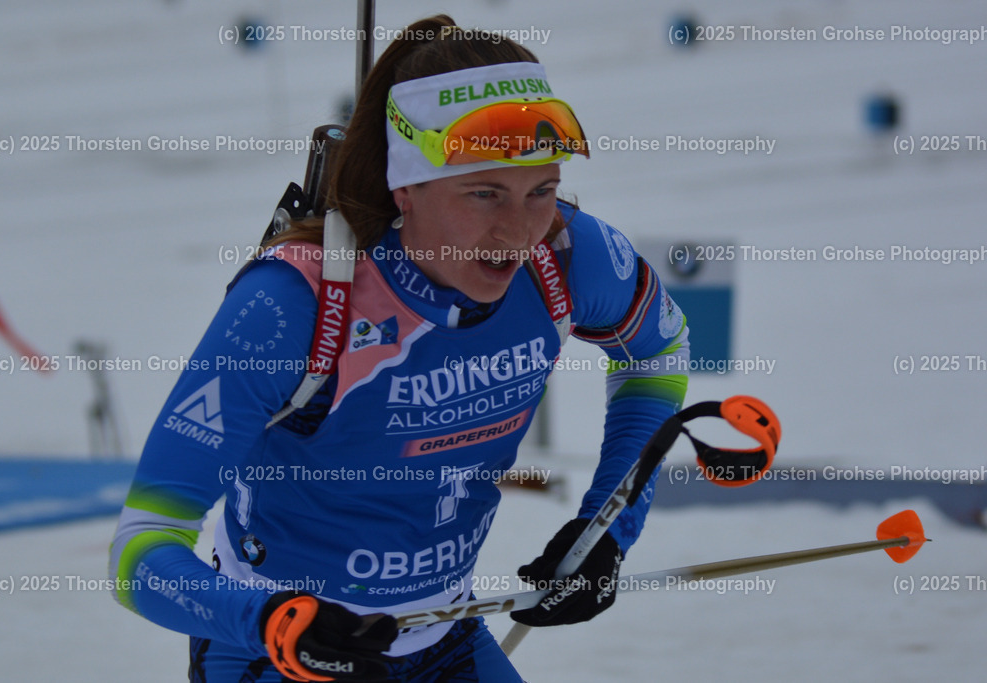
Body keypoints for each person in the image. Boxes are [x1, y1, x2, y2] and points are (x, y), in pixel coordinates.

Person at [109, 14, 689, 683]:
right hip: (283, 658)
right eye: (483, 193)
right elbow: (139, 555)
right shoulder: (292, 305)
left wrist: (606, 529)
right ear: (404, 186)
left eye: (542, 190)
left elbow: (660, 352)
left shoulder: (568, 257)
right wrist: (272, 620)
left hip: (445, 644)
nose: (519, 228)